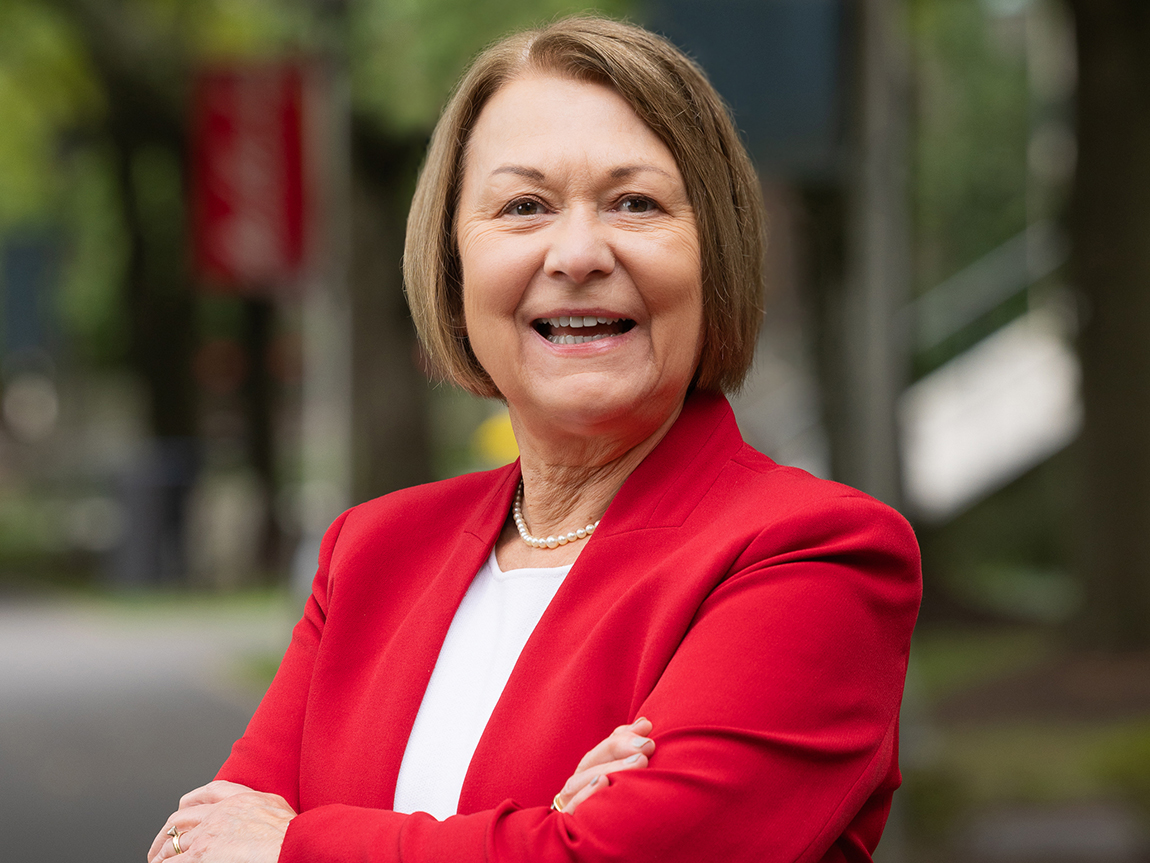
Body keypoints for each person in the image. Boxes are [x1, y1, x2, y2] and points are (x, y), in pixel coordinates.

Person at [149, 15, 920, 863]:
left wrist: (297, 845)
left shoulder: (814, 554)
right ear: (452, 260)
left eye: (636, 202)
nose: (579, 251)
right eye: (524, 206)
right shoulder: (369, 554)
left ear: (716, 251)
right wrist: (547, 830)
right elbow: (200, 846)